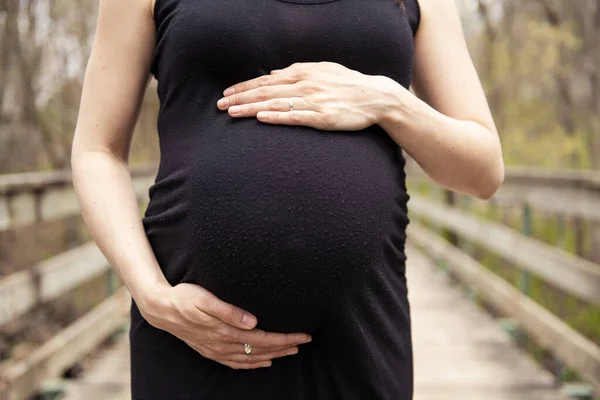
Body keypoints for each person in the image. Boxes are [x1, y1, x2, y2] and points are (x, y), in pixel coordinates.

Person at [71, 0, 504, 398]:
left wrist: (388, 101)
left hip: (362, 338)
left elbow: (483, 171)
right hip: (195, 335)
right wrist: (152, 297)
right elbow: (97, 150)